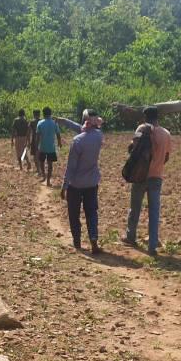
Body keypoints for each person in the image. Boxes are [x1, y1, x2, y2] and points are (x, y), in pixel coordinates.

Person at [123, 106, 171, 256]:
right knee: (154, 212)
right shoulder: (166, 133)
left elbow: (133, 150)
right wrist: (156, 165)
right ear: (158, 117)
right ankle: (152, 245)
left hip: (140, 176)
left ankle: (131, 237)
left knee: (135, 207)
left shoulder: (141, 129)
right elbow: (166, 157)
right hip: (156, 176)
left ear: (145, 117)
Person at [61, 109, 103, 254]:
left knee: (74, 214)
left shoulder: (77, 141)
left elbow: (71, 166)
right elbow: (92, 128)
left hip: (76, 184)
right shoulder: (99, 136)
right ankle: (93, 238)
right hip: (92, 182)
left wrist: (64, 185)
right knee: (91, 212)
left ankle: (77, 241)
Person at [36, 106, 62, 186]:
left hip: (42, 147)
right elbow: (58, 134)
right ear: (50, 113)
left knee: (41, 162)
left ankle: (44, 176)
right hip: (51, 147)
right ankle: (48, 181)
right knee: (50, 165)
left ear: (43, 114)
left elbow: (38, 136)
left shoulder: (40, 123)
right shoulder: (54, 123)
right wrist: (59, 143)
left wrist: (37, 145)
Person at [29, 109, 43, 176]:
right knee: (41, 156)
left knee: (35, 156)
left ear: (33, 114)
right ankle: (41, 170)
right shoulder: (42, 121)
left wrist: (28, 141)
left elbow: (28, 132)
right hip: (42, 140)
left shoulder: (32, 122)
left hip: (34, 141)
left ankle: (38, 170)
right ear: (39, 114)